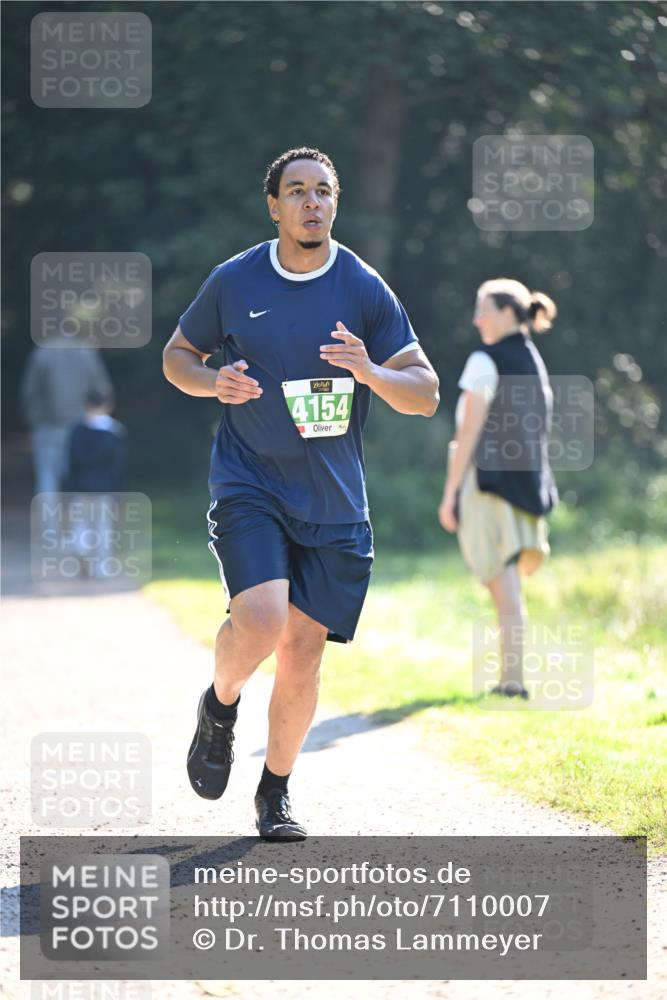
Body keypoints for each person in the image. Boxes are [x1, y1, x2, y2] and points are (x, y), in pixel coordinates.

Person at [163, 147, 439, 840]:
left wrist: (370, 371)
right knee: (260, 620)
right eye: (297, 191)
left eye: (322, 191)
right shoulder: (236, 278)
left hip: (333, 501)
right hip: (249, 481)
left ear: (335, 203)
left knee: (304, 649)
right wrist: (214, 382)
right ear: (274, 205)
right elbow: (177, 357)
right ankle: (220, 705)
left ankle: (275, 792)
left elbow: (426, 394)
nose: (311, 202)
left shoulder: (363, 286)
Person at [438, 278, 558, 700]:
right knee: (508, 586)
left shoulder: (484, 360)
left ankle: (512, 682)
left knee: (501, 584)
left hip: (487, 485)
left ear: (508, 312)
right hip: (527, 485)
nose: (476, 320)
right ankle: (512, 678)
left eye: (483, 310)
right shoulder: (532, 360)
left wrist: (451, 492)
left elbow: (468, 432)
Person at [20, 337, 112, 495]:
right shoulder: (86, 353)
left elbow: (30, 392)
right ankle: (76, 511)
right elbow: (101, 389)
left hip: (47, 424)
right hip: (81, 425)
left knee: (47, 477)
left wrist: (33, 421)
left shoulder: (42, 353)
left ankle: (48, 512)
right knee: (78, 475)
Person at [64, 390, 127, 578]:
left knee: (80, 523)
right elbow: (117, 466)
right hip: (105, 489)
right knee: (103, 528)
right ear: (109, 405)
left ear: (86, 405)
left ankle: (81, 548)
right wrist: (118, 493)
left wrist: (68, 489)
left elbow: (71, 463)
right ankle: (102, 567)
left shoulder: (77, 430)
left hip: (81, 487)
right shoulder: (115, 431)